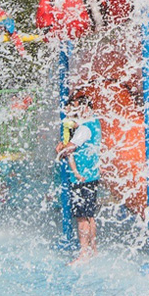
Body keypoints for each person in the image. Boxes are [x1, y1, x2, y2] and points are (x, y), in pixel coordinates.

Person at [56, 94, 102, 264]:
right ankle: (94, 248)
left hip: (81, 177)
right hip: (92, 175)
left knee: (82, 217)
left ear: (86, 108)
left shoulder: (84, 129)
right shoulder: (95, 123)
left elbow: (68, 149)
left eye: (78, 108)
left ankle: (84, 253)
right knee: (90, 215)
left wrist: (60, 148)